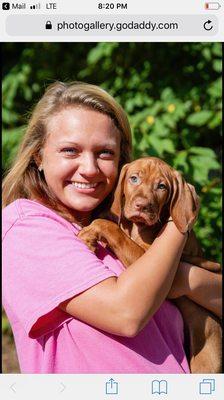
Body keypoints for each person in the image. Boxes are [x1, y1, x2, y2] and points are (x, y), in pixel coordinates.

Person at [2, 81, 221, 374]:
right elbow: (126, 313)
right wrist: (178, 225)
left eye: (105, 153)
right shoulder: (25, 228)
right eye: (70, 150)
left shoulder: (127, 230)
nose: (90, 168)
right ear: (38, 155)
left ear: (120, 161)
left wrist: (180, 276)